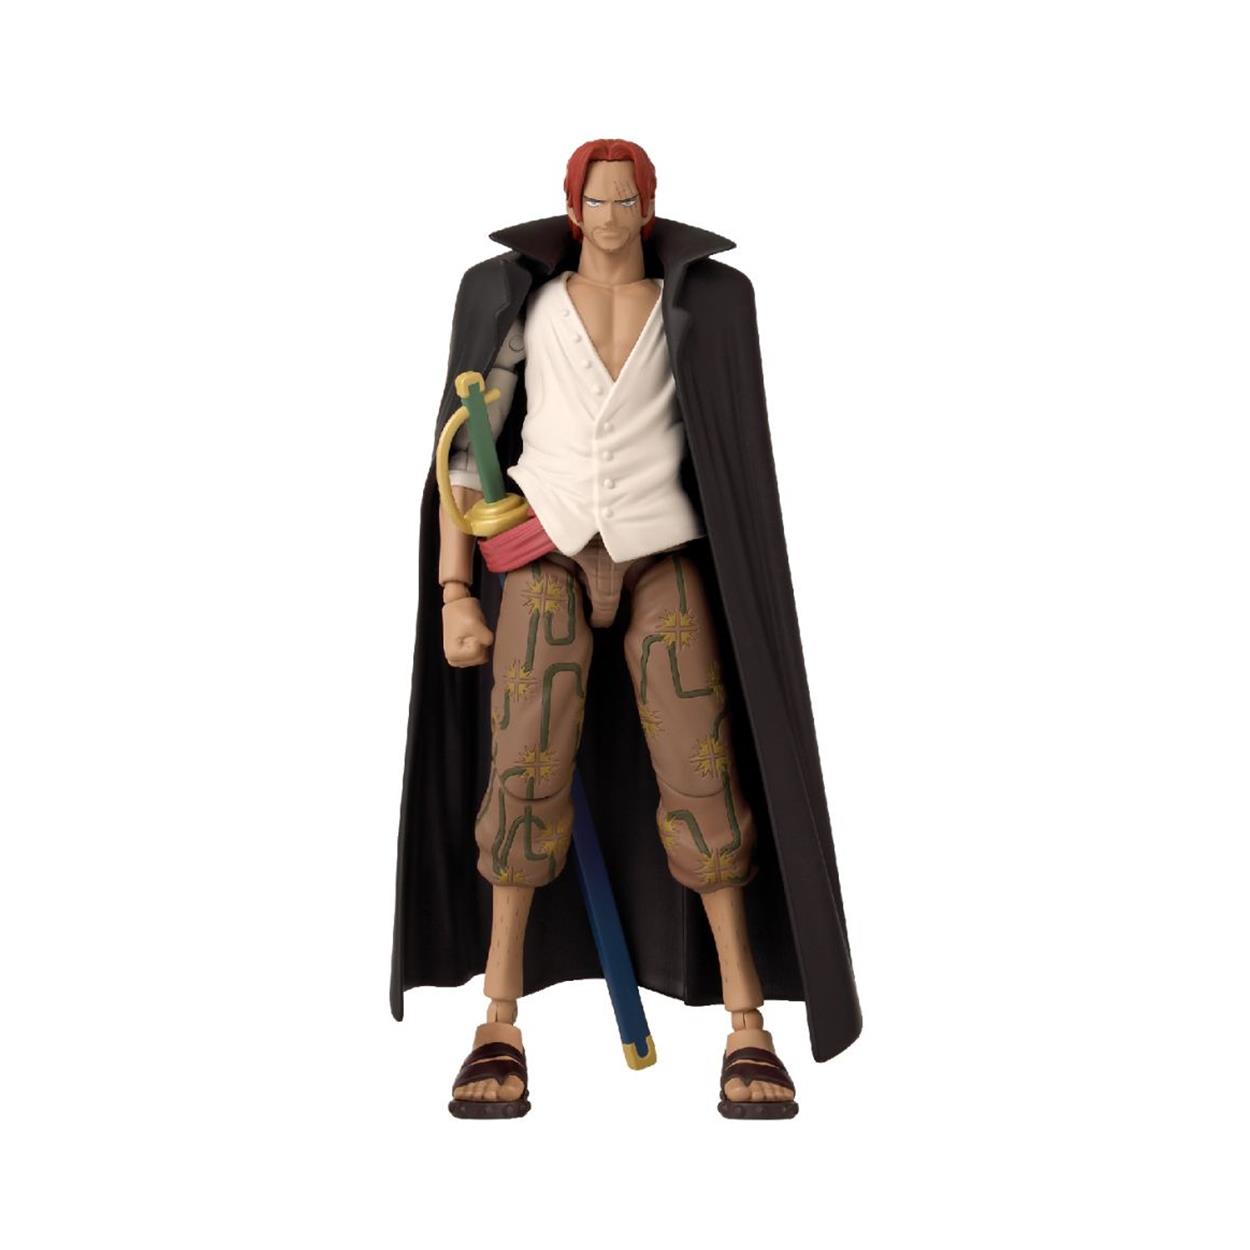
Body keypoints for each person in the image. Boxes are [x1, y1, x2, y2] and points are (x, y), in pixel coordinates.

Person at [392, 138, 861, 1119]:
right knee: (522, 769)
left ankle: (745, 1021)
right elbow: (465, 454)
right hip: (545, 552)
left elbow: (730, 447)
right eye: (596, 202)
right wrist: (454, 591)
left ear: (649, 206)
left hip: (661, 551)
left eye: (626, 200)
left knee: (702, 769)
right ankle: (497, 1017)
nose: (611, 218)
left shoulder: (702, 306)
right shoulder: (520, 304)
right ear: (573, 208)